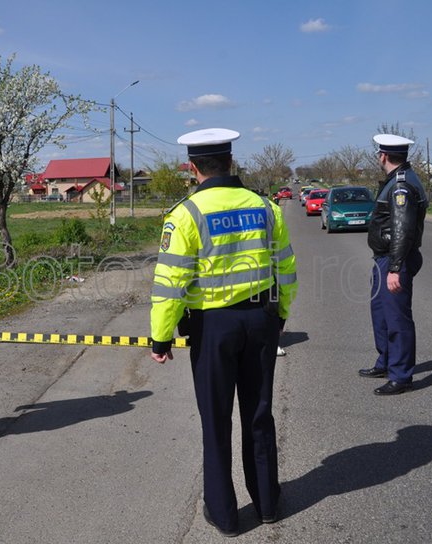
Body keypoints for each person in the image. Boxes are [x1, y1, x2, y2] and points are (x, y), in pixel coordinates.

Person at [149, 128, 298, 536]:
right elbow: (285, 268)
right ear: (231, 163)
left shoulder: (185, 215)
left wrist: (160, 338)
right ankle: (268, 503)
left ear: (193, 168)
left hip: (212, 328)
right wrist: (280, 314)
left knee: (216, 422)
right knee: (258, 415)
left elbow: (170, 284)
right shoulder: (267, 208)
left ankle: (225, 515)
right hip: (261, 322)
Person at [359, 134, 428, 395]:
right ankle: (386, 362)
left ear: (384, 156)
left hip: (394, 258)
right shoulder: (397, 180)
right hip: (385, 258)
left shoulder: (401, 186)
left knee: (397, 317)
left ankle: (401, 375)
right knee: (381, 313)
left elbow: (403, 229)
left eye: (379, 154)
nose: (378, 157)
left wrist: (395, 268)